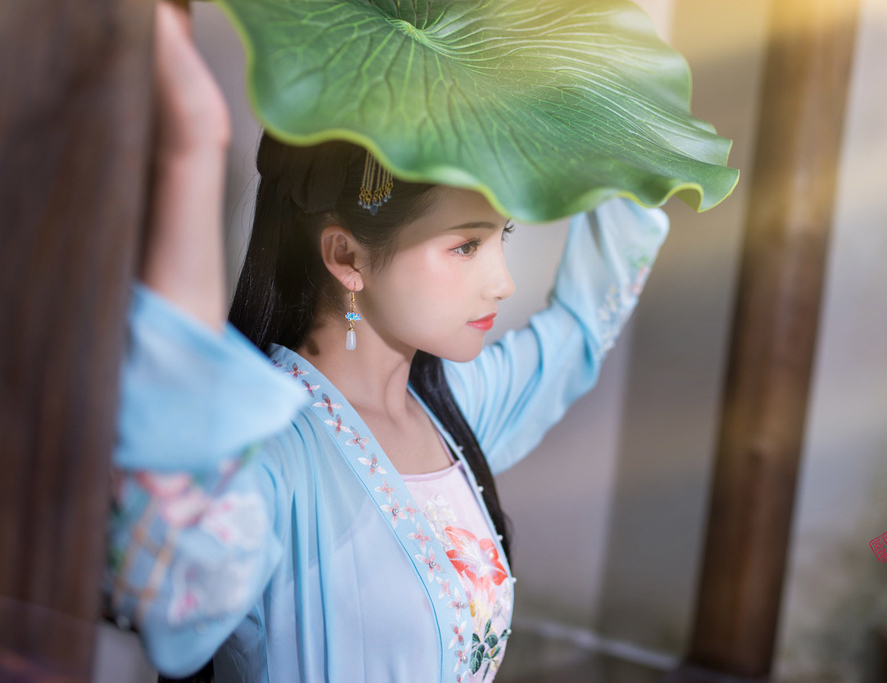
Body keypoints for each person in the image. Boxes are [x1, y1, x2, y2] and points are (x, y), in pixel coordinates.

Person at [102, 1, 670, 681]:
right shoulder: (274, 454)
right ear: (347, 256)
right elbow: (172, 579)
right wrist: (191, 150)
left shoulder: (452, 411)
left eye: (502, 237)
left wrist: (607, 96)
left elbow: (582, 326)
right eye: (465, 246)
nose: (502, 282)